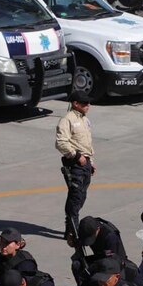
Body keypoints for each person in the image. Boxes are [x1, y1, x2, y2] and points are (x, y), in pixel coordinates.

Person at [56, 90, 95, 244]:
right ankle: (73, 229)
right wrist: (77, 156)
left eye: (89, 103)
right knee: (75, 196)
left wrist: (91, 160)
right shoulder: (67, 120)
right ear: (75, 104)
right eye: (85, 103)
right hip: (75, 164)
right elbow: (61, 142)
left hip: (85, 162)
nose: (88, 106)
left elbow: (87, 143)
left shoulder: (85, 120)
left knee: (82, 196)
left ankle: (69, 226)